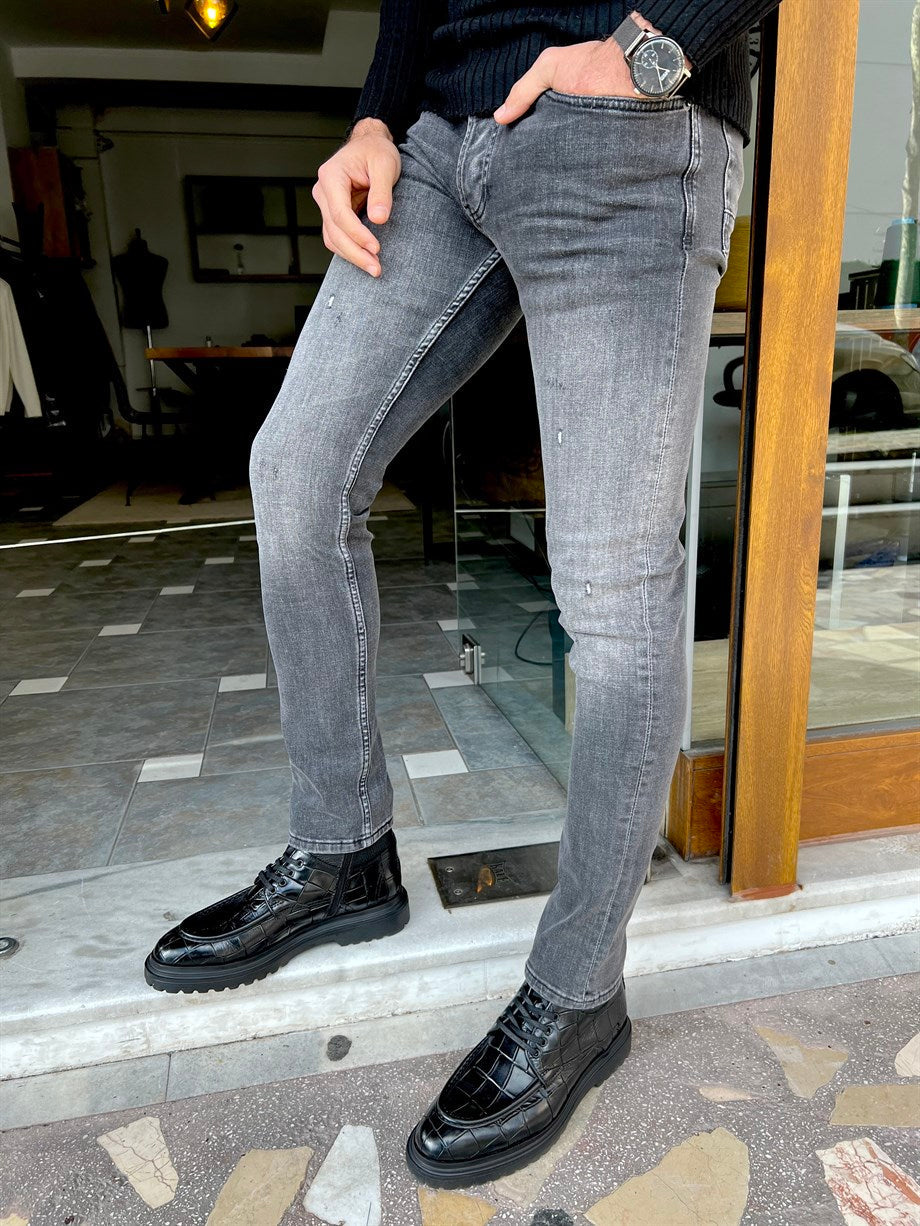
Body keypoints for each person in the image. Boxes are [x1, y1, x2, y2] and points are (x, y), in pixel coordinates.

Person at [146, 0, 781, 1187]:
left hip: (625, 124)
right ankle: (343, 854)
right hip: (442, 138)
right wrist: (373, 119)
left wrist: (652, 47)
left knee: (611, 583)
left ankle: (578, 989)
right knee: (296, 472)